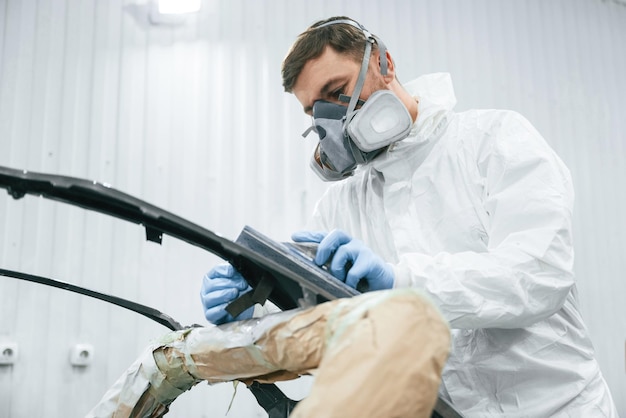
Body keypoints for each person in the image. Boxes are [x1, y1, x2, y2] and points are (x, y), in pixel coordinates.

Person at [200, 16, 618, 417]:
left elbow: (539, 274)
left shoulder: (494, 142)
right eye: (315, 112)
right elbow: (326, 328)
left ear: (383, 62)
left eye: (337, 90)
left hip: (560, 408)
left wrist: (403, 284)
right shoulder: (338, 208)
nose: (331, 121)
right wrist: (252, 312)